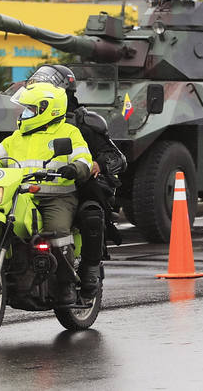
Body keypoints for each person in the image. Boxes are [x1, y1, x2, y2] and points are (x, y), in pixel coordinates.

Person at [0, 82, 93, 304]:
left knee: (57, 233)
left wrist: (74, 168)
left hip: (56, 197)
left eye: (30, 108)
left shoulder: (68, 132)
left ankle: (66, 284)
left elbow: (84, 159)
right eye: (24, 108)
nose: (24, 113)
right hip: (20, 194)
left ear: (48, 109)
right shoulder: (18, 136)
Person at [26, 64, 126, 299]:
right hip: (34, 185)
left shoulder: (84, 122)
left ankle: (89, 268)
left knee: (91, 212)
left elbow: (116, 157)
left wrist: (97, 165)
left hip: (78, 186)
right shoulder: (29, 119)